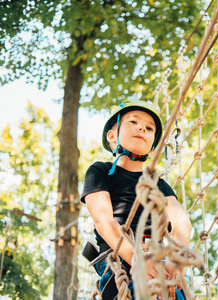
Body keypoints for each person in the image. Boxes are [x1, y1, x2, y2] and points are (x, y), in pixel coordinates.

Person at [81, 100, 191, 300]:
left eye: (149, 128)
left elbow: (181, 220)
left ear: (151, 148)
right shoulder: (100, 171)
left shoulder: (157, 184)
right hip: (118, 260)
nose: (142, 127)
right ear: (112, 136)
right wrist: (138, 260)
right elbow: (103, 219)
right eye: (133, 122)